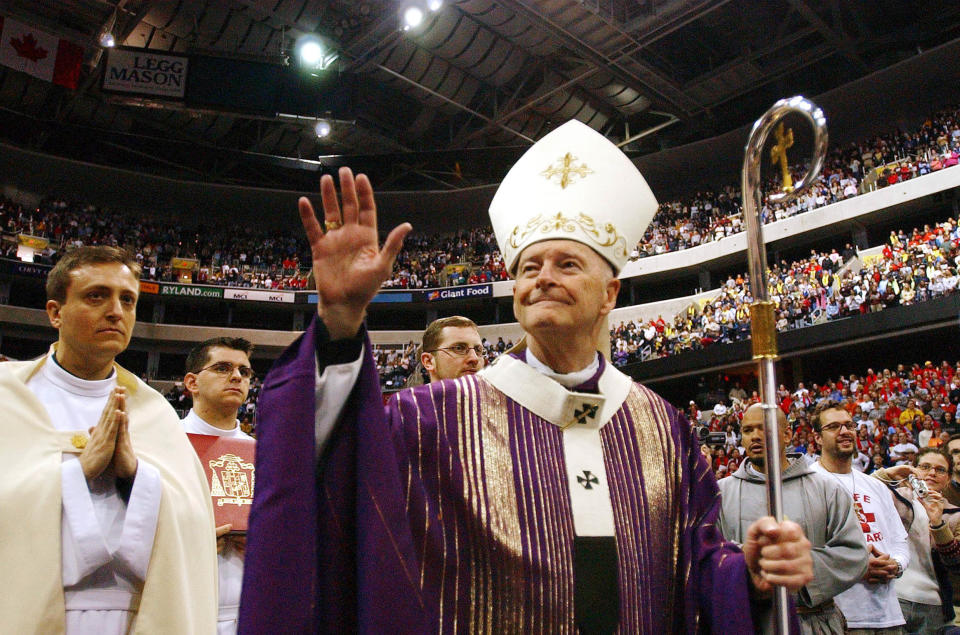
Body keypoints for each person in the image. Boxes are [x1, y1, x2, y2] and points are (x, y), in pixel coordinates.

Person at [240, 120, 814, 633]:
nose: (542, 278)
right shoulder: (432, 416)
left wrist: (751, 576)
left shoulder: (663, 429)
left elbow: (695, 565)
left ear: (610, 293)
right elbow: (329, 476)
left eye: (568, 264)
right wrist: (340, 319)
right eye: (529, 267)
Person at [0, 246, 217, 633]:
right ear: (55, 313)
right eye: (96, 295)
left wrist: (136, 474)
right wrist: (78, 471)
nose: (116, 311)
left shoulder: (155, 412)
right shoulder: (7, 396)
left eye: (128, 300)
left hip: (135, 615)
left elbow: (193, 524)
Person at [718, 404, 867, 634]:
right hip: (747, 621)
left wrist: (799, 565)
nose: (755, 436)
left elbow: (854, 553)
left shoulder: (826, 488)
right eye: (748, 430)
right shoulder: (719, 493)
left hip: (814, 621)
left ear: (787, 434)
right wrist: (747, 560)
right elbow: (711, 554)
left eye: (764, 428)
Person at [810, 399, 910, 633]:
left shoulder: (875, 486)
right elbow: (807, 550)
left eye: (849, 425)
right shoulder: (807, 484)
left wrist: (895, 565)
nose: (844, 431)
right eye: (834, 427)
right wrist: (856, 567)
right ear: (816, 438)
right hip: (840, 616)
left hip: (889, 615)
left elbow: (900, 542)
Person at [182, 337, 256, 635]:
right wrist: (184, 545)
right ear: (192, 382)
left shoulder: (264, 454)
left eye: (244, 371)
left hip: (249, 606)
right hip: (183, 603)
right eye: (223, 368)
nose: (236, 376)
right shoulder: (163, 444)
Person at [419, 315, 486, 383]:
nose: (474, 359)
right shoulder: (411, 393)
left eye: (478, 350)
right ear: (429, 361)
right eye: (459, 348)